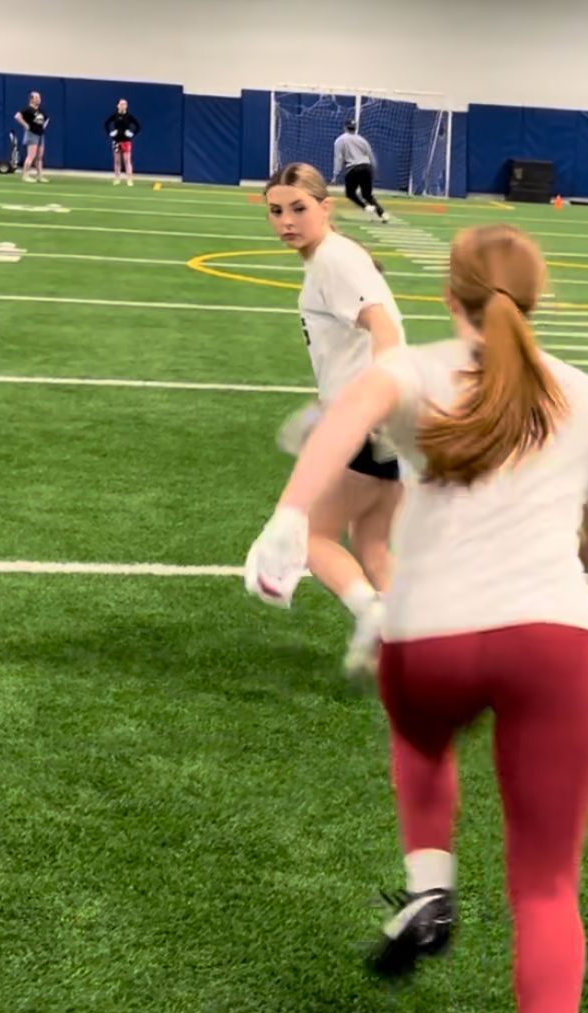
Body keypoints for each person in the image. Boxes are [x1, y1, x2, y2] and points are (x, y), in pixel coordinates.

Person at [243, 223, 588, 1013]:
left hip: (431, 632)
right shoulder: (581, 392)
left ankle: (430, 882)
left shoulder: (413, 372)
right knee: (547, 885)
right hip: (551, 639)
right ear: (533, 296)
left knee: (418, 729)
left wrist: (283, 523)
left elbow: (337, 424)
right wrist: (561, 541)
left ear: (448, 295)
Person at [261, 161, 405, 677]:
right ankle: (415, 651)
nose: (286, 221)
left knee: (313, 538)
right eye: (276, 211)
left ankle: (375, 616)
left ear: (326, 208)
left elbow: (383, 331)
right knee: (371, 545)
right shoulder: (334, 257)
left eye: (298, 209)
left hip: (369, 419)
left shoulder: (332, 261)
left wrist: (370, 411)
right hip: (382, 416)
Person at [333, 119, 390, 223]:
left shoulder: (340, 140)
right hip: (366, 167)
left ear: (345, 127)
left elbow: (339, 158)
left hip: (353, 168)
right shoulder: (362, 140)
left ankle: (366, 207)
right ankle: (382, 214)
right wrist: (373, 169)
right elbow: (371, 156)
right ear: (355, 128)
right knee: (367, 195)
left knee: (350, 193)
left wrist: (336, 174)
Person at [14, 92, 50, 183]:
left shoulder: (40, 110)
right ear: (31, 99)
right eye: (36, 97)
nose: (39, 99)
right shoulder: (28, 109)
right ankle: (25, 176)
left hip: (40, 134)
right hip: (32, 134)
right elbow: (17, 116)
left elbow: (47, 118)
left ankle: (40, 176)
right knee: (31, 156)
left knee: (39, 157)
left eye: (39, 97)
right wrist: (26, 125)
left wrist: (43, 126)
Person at [104, 99, 141, 186]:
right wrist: (110, 133)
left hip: (126, 141)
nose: (122, 106)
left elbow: (138, 126)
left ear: (126, 106)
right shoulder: (115, 115)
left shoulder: (129, 116)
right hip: (116, 141)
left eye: (124, 104)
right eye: (121, 104)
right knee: (117, 161)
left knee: (127, 160)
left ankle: (129, 180)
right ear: (118, 106)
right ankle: (117, 178)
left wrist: (132, 133)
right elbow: (106, 124)